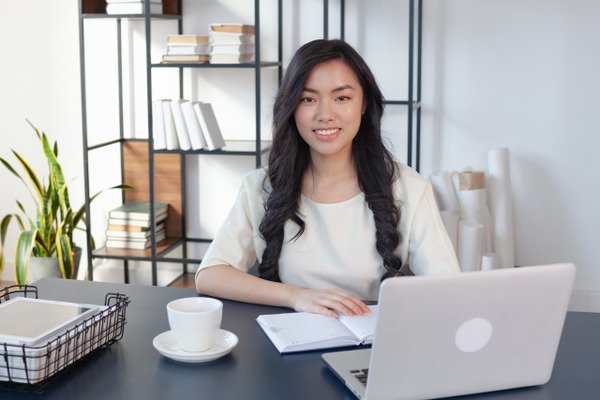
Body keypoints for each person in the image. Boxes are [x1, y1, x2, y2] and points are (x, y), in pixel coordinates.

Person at [195, 39, 459, 318]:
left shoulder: (408, 187)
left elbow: (449, 287)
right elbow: (210, 275)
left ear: (364, 104)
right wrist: (297, 297)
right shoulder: (261, 186)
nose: (325, 115)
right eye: (308, 99)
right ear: (292, 107)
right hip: (287, 343)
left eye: (342, 97)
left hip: (373, 348)